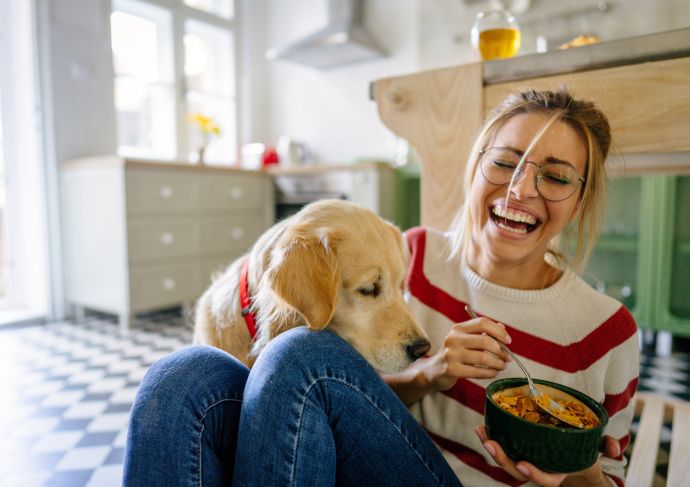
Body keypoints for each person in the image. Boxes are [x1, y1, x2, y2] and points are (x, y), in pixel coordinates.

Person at [123, 88, 639, 487]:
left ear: (580, 198)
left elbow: (607, 480)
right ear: (476, 166)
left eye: (556, 176)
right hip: (355, 465)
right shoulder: (408, 253)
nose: (521, 189)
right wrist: (428, 375)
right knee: (181, 375)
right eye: (504, 162)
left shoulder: (607, 332)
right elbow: (342, 400)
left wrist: (574, 471)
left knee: (300, 352)